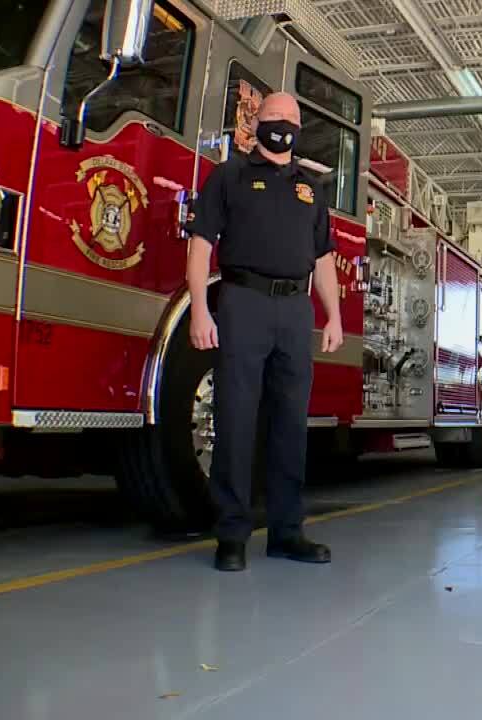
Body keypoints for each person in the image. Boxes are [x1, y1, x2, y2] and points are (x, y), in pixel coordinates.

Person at [184, 92, 343, 572]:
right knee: (235, 418)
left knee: (290, 424)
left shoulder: (311, 189)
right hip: (242, 303)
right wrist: (198, 311)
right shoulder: (228, 176)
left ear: (299, 127)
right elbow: (199, 246)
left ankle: (286, 533)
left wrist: (332, 314)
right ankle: (231, 536)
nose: (283, 124)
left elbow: (324, 260)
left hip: (295, 311)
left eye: (292, 117)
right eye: (274, 116)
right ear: (257, 122)